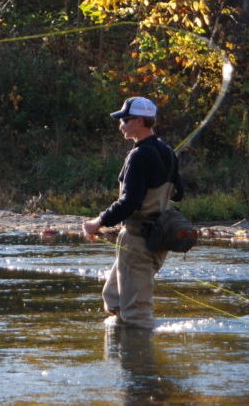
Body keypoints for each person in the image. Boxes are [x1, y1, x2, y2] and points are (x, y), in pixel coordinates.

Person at [83, 96, 184, 329]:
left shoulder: (138, 156)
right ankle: (122, 347)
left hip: (138, 241)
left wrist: (98, 222)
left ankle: (141, 351)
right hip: (157, 238)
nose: (121, 125)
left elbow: (129, 202)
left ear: (139, 121)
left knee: (137, 315)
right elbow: (178, 194)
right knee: (114, 298)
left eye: (125, 120)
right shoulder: (168, 152)